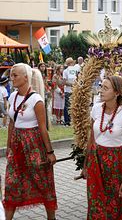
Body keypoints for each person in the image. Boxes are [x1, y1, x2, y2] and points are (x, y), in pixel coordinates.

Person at [3, 63, 57, 220]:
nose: (11, 78)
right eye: (11, 75)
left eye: (15, 75)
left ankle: (51, 217)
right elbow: (12, 122)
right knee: (12, 183)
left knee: (43, 182)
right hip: (17, 145)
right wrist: (8, 146)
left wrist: (50, 152)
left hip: (34, 145)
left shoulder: (36, 100)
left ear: (26, 78)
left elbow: (42, 128)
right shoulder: (12, 96)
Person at [83, 76, 122, 220]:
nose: (101, 91)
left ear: (117, 93)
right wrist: (85, 166)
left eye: (105, 88)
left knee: (118, 206)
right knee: (97, 204)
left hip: (117, 164)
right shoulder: (96, 109)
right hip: (96, 163)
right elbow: (91, 140)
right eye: (101, 86)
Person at [63, 57, 77, 126]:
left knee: (73, 105)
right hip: (68, 90)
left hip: (74, 90)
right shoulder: (65, 71)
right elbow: (65, 82)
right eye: (72, 62)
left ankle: (72, 120)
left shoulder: (75, 71)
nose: (73, 64)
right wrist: (73, 84)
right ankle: (67, 121)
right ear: (70, 63)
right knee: (67, 106)